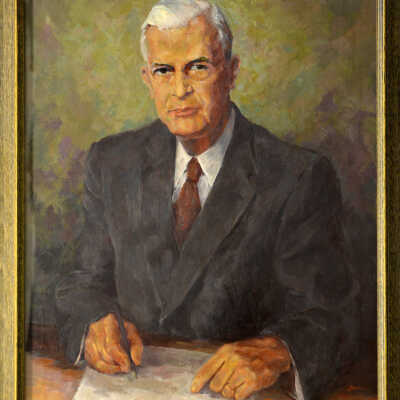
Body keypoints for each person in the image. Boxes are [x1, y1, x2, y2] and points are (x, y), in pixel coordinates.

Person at [55, 1, 359, 399]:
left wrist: (280, 349)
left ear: (231, 72)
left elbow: (333, 317)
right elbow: (81, 282)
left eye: (198, 67)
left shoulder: (297, 176)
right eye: (164, 70)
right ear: (147, 79)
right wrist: (92, 321)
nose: (180, 89)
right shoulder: (111, 163)